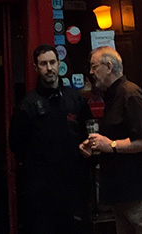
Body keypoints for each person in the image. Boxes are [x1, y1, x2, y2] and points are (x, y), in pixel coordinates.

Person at [9, 44, 92, 234]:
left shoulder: (75, 99)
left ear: (59, 64)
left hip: (74, 186)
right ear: (35, 68)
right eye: (44, 64)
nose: (49, 68)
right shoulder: (27, 106)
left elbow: (88, 132)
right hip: (42, 191)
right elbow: (16, 144)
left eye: (52, 62)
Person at [80, 46, 142, 234]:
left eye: (94, 67)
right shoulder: (111, 96)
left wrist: (110, 145)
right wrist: (96, 145)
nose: (91, 72)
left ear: (108, 66)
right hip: (122, 195)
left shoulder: (130, 94)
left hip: (140, 196)